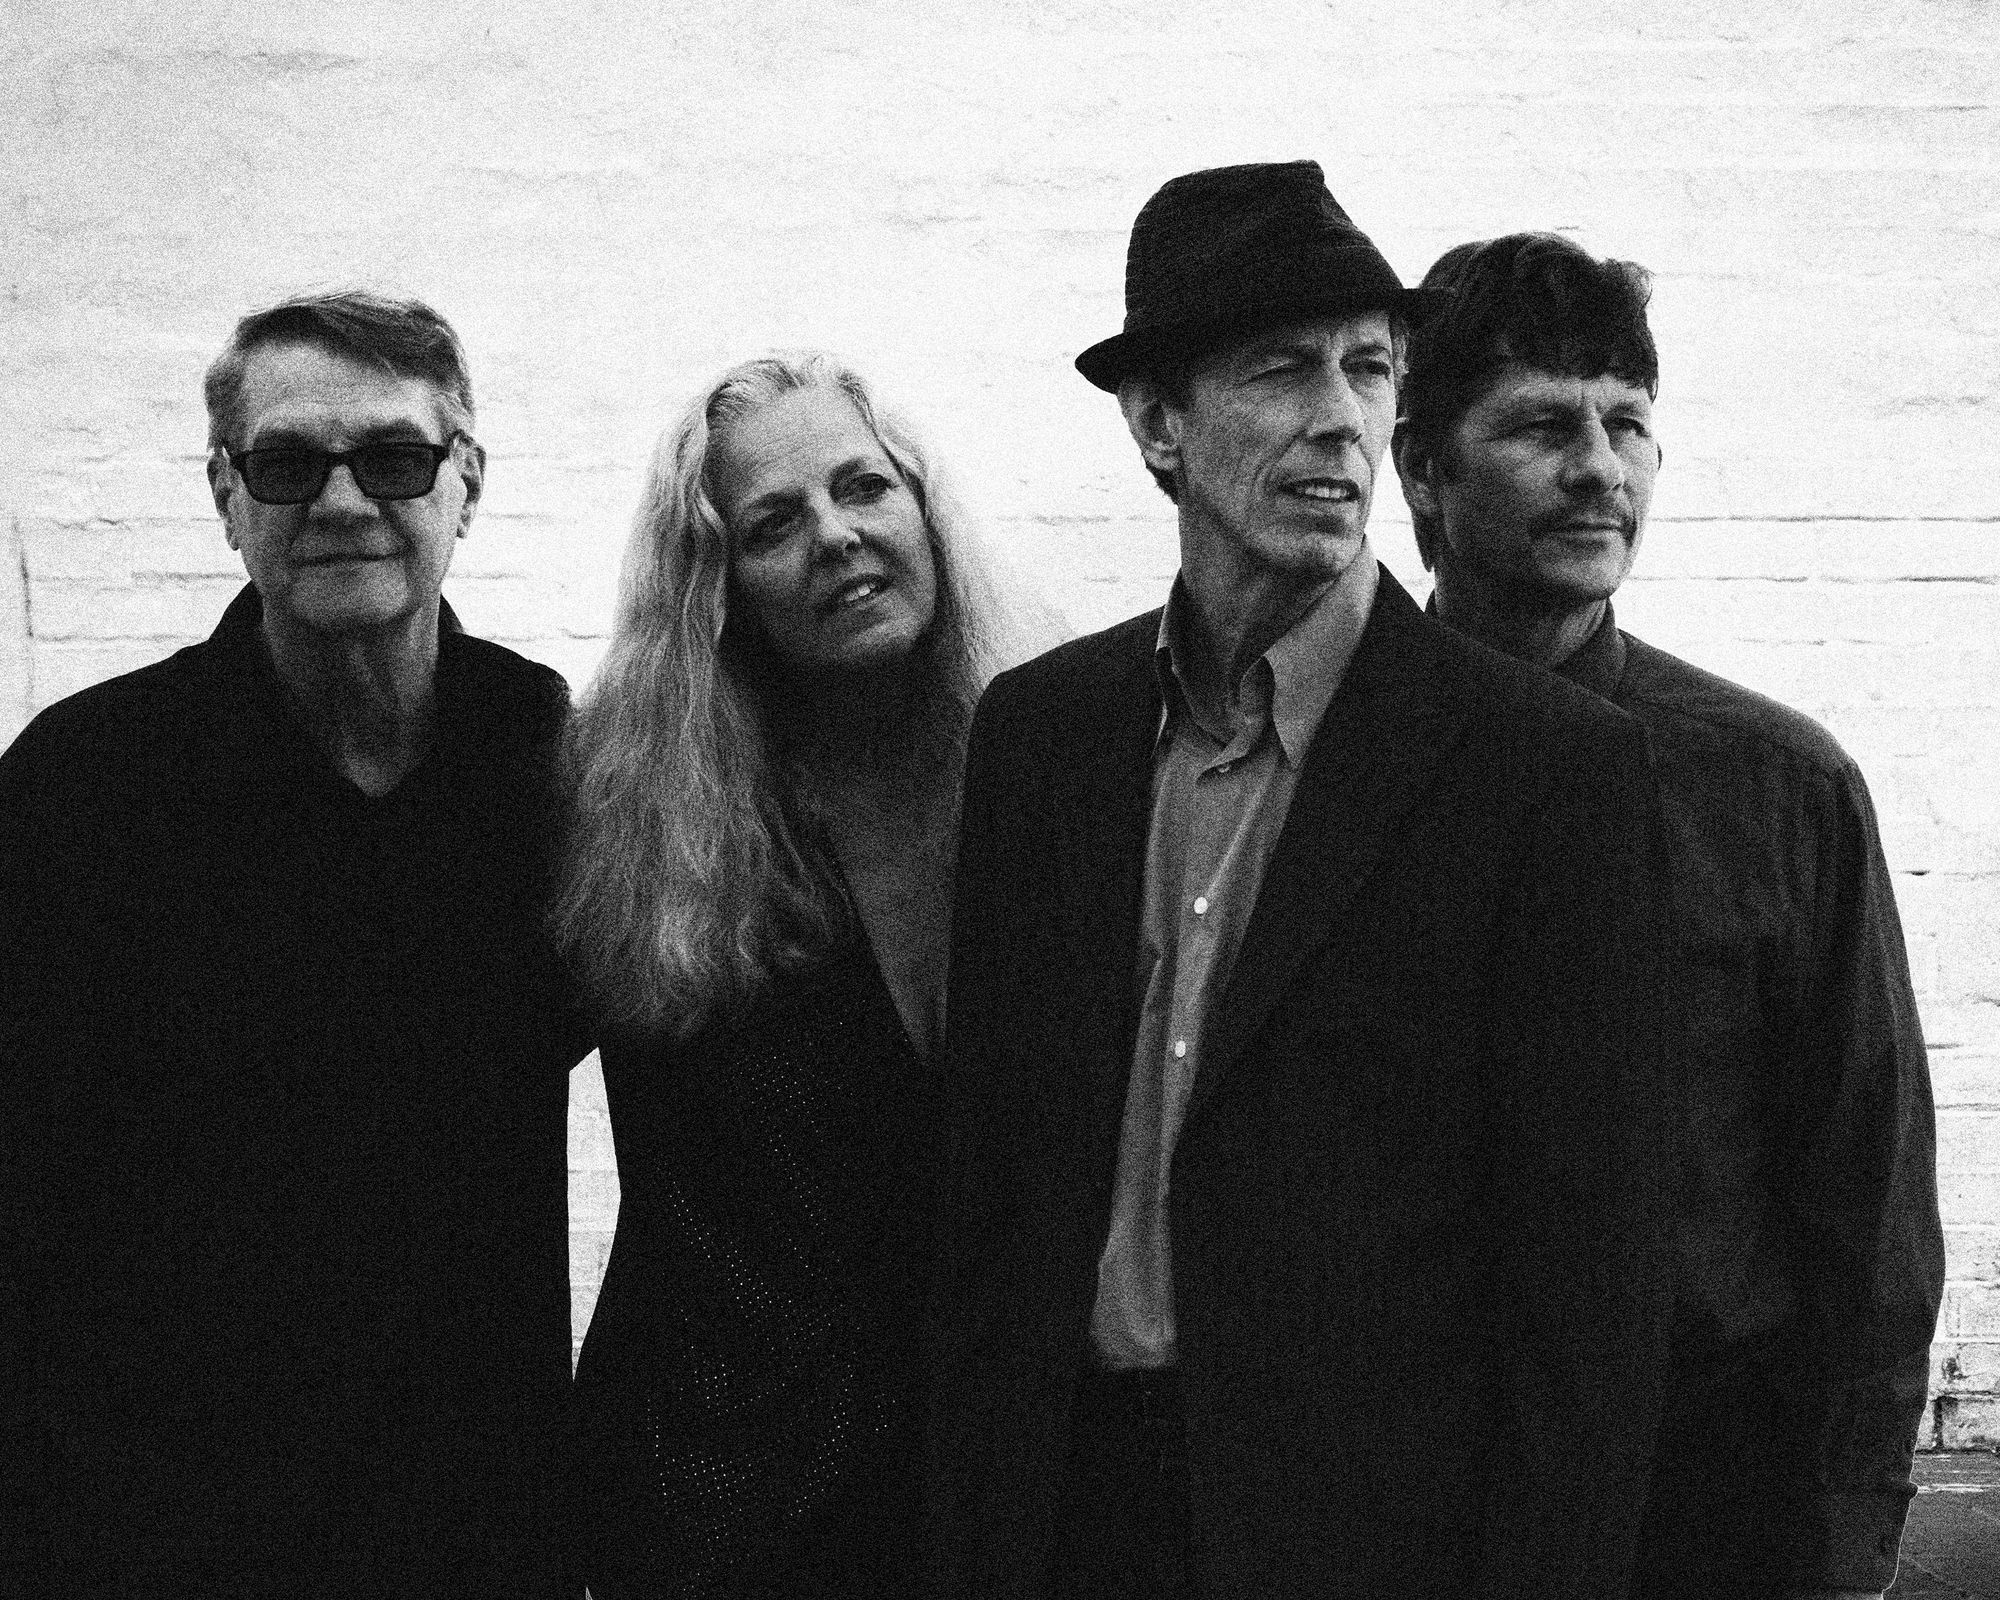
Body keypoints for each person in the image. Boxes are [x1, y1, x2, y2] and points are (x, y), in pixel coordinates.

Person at [931, 159, 1679, 1599]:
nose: (1340, 415)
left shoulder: (1547, 770)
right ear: (1157, 423)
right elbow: (989, 1200)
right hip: (1067, 1519)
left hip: (1369, 1538)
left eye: (1369, 368)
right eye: (1281, 370)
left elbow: (1588, 1297)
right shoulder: (1039, 737)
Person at [0, 291, 591, 1595]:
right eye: (286, 464)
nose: (340, 501)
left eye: (392, 457)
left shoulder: (546, 760)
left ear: (467, 481)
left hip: (474, 1533)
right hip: (154, 1540)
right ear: (225, 493)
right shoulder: (81, 787)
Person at [1394, 230, 1943, 1600]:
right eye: (1541, 426)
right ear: (1419, 467)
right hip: (1403, 1471)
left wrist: (1847, 1532)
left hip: (1700, 1486)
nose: (1601, 468)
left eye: (1627, 424)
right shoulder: (1332, 762)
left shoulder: (1772, 780)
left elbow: (1866, 1188)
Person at [558, 351, 1045, 1599]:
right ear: (718, 591)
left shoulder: (1055, 785)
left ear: (922, 507)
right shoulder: (632, 817)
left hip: (990, 1502)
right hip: (720, 1509)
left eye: (862, 486)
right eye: (772, 524)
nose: (835, 535)